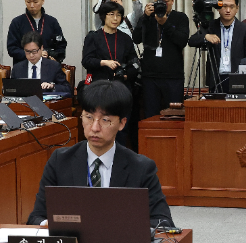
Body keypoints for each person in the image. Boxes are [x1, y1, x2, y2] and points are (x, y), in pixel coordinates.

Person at [26, 80, 173, 228]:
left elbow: (163, 222)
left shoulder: (141, 168)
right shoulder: (60, 161)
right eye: (88, 117)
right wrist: (56, 224)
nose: (95, 127)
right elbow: (36, 217)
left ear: (122, 123)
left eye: (105, 120)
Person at [133, 0, 190, 118]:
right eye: (159, 1)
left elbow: (182, 41)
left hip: (173, 77)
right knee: (150, 116)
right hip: (150, 77)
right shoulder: (148, 17)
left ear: (173, 1)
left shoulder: (181, 18)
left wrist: (165, 23)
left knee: (174, 116)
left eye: (166, 1)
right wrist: (145, 17)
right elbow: (136, 38)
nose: (163, 5)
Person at [188, 0, 246, 92]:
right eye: (224, 6)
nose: (228, 10)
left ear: (237, 8)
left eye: (231, 7)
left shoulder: (245, 29)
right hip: (216, 79)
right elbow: (191, 41)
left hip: (238, 78)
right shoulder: (210, 26)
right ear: (218, 8)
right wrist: (205, 36)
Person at [7, 0, 65, 65]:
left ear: (42, 0)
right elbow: (12, 49)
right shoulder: (17, 22)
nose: (31, 5)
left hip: (48, 66)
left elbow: (61, 46)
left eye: (35, 2)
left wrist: (52, 55)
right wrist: (33, 54)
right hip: (24, 67)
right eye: (28, 2)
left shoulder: (52, 22)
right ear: (24, 0)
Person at [81, 3, 138, 84]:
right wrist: (104, 62)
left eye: (118, 15)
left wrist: (127, 75)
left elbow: (133, 60)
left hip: (121, 84)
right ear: (104, 16)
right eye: (111, 14)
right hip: (99, 83)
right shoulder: (93, 37)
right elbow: (86, 61)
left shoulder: (126, 38)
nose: (115, 18)